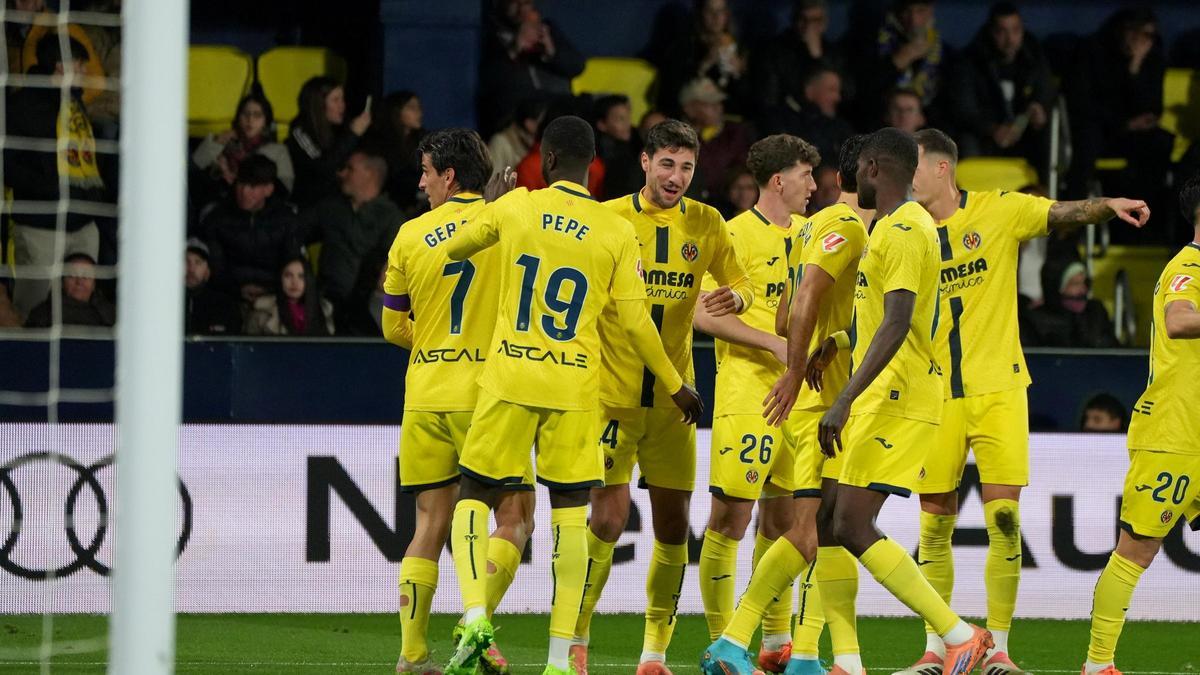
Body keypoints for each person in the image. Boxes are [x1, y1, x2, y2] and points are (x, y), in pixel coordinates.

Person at [723, 128, 996, 675]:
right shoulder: (898, 227)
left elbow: (898, 324)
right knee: (825, 520)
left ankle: (959, 635)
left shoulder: (901, 229)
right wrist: (839, 343)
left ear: (872, 167)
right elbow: (892, 320)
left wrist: (844, 398)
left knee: (847, 522)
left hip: (898, 395)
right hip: (887, 391)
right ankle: (811, 654)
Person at [440, 115, 702, 675]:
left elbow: (456, 248)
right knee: (569, 518)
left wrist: (489, 202)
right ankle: (561, 658)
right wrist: (678, 386)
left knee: (473, 496)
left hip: (510, 379)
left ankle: (473, 612)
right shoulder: (614, 230)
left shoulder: (517, 207)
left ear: (547, 160)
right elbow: (636, 323)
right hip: (577, 387)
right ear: (594, 166)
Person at [897, 128, 1148, 675]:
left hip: (1000, 390)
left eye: (910, 166)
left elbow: (1065, 213)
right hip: (934, 394)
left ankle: (1000, 650)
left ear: (942, 168)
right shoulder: (904, 229)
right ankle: (937, 650)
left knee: (1004, 519)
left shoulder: (999, 210)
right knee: (933, 526)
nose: (903, 176)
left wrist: (1108, 205)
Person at [570, 119, 754, 675]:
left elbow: (740, 281)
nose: (677, 177)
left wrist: (737, 301)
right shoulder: (609, 220)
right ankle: (575, 638)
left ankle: (654, 653)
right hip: (613, 396)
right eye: (668, 164)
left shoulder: (708, 223)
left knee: (673, 527)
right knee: (607, 517)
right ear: (646, 162)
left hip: (677, 401)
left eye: (688, 167)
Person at [381, 128, 535, 673]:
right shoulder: (506, 220)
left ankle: (412, 654)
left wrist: (432, 342)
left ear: (449, 176)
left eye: (426, 172)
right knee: (515, 516)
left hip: (424, 392)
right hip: (486, 394)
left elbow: (392, 324)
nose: (421, 182)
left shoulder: (407, 236)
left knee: (430, 521)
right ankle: (476, 625)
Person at [728, 134, 873, 675]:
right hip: (826, 402)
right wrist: (798, 366)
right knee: (815, 532)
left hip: (819, 396)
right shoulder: (846, 226)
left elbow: (787, 314)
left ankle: (817, 656)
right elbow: (807, 300)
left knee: (824, 532)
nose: (813, 185)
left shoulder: (806, 229)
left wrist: (829, 340)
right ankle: (746, 642)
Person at [689, 134, 819, 671]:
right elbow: (700, 313)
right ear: (778, 180)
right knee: (731, 519)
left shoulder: (815, 235)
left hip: (801, 398)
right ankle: (725, 642)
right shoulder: (734, 233)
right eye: (806, 174)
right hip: (749, 391)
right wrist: (775, 344)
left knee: (784, 520)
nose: (815, 185)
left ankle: (772, 642)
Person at [1080, 173, 1200, 675]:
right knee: (1137, 549)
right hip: (1174, 434)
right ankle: (1098, 663)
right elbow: (1179, 319)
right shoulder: (1189, 265)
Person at [5, 36, 105, 320]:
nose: (84, 71)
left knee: (81, 310)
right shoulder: (21, 106)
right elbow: (7, 165)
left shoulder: (75, 105)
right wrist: (50, 190)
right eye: (80, 64)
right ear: (60, 66)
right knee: (32, 312)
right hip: (41, 228)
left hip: (83, 226)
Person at [1064, 7, 1173, 230]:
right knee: (1086, 142)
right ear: (1122, 30)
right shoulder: (1093, 51)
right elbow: (1082, 105)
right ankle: (1069, 230)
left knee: (1161, 142)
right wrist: (1124, 123)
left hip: (1131, 136)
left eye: (1148, 35)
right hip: (1100, 130)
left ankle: (1148, 224)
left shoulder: (1152, 57)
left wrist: (1135, 68)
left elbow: (1153, 109)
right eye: (1135, 32)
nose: (1140, 40)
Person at [949, 2, 1056, 171]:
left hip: (1023, 134)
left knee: (1049, 134)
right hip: (984, 134)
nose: (1010, 39)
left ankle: (1044, 191)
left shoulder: (1034, 57)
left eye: (1015, 30)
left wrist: (1040, 110)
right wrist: (992, 129)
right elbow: (963, 110)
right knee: (966, 140)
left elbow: (1046, 93)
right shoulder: (970, 61)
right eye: (1001, 31)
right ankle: (972, 193)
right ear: (991, 32)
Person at [300, 149, 403, 319]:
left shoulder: (391, 217)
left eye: (350, 168)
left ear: (370, 174)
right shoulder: (331, 208)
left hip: (368, 310)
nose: (342, 173)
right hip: (324, 305)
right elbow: (295, 233)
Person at [198, 155, 301, 303]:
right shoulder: (217, 218)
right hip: (228, 296)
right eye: (241, 183)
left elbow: (293, 264)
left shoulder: (286, 219)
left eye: (252, 186)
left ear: (268, 189)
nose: (244, 191)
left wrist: (271, 290)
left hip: (276, 297)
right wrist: (236, 289)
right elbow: (215, 268)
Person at [477, 0, 584, 136]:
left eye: (526, 3)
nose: (522, 9)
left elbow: (577, 67)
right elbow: (491, 82)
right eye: (515, 3)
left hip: (557, 109)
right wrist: (515, 48)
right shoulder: (490, 35)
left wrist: (550, 51)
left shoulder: (547, 29)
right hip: (517, 116)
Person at [286, 76, 372, 208]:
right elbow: (322, 168)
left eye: (342, 99)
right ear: (318, 103)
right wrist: (353, 135)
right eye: (335, 100)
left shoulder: (341, 128)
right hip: (310, 204)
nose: (342, 105)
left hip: (337, 201)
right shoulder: (300, 130)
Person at [753, 0, 850, 116]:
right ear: (794, 20)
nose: (808, 26)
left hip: (827, 119)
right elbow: (769, 96)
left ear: (824, 23)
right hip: (790, 117)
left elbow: (847, 91)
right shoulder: (776, 51)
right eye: (803, 19)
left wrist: (818, 57)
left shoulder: (833, 53)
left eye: (815, 20)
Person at [656, 0, 749, 118]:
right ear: (700, 14)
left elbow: (747, 102)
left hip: (727, 119)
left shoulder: (738, 48)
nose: (716, 16)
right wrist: (706, 64)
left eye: (720, 11)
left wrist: (739, 74)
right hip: (690, 117)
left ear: (727, 15)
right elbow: (669, 96)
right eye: (710, 11)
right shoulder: (683, 48)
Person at [192, 93, 295, 198]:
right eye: (245, 114)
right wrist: (219, 141)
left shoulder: (278, 150)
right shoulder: (226, 143)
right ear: (238, 117)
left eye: (257, 115)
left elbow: (285, 190)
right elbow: (195, 166)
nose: (250, 120)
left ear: (265, 121)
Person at [762, 65, 853, 175]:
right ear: (809, 91)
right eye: (831, 90)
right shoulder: (782, 123)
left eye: (838, 91)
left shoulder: (840, 127)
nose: (837, 97)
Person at [679, 77, 754, 201]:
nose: (718, 108)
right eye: (709, 104)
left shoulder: (735, 132)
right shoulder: (677, 137)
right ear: (690, 109)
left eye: (718, 103)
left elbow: (742, 170)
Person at [1025, 259, 1119, 349]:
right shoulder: (1035, 321)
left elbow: (1115, 351)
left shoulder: (1095, 313)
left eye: (1084, 283)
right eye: (1075, 284)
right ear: (1057, 287)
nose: (1083, 290)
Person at [873, 0, 943, 110]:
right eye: (907, 11)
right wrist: (897, 61)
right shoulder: (876, 46)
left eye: (920, 10)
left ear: (931, 11)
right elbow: (868, 92)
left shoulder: (945, 55)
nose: (913, 20)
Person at [366, 90, 427, 214]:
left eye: (419, 107)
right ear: (396, 111)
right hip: (391, 204)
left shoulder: (423, 140)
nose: (419, 112)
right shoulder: (381, 142)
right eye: (411, 108)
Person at [244, 257, 334, 336]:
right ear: (280, 279)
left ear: (309, 281)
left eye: (301, 276)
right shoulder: (260, 315)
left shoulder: (323, 312)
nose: (294, 282)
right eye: (288, 275)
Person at [24, 253, 115, 328]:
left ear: (94, 284)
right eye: (72, 275)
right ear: (62, 282)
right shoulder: (43, 312)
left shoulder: (109, 313)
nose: (79, 282)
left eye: (86, 276)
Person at [184, 238, 242, 336]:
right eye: (186, 261)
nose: (191, 269)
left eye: (198, 262)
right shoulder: (162, 304)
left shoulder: (225, 305)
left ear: (207, 272)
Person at [594, 95, 643, 201]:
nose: (627, 124)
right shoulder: (597, 156)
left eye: (628, 118)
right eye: (620, 119)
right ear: (602, 124)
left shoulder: (637, 144)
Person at [488, 96, 547, 176]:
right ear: (528, 123)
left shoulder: (536, 142)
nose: (544, 125)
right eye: (540, 121)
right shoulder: (499, 143)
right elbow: (493, 178)